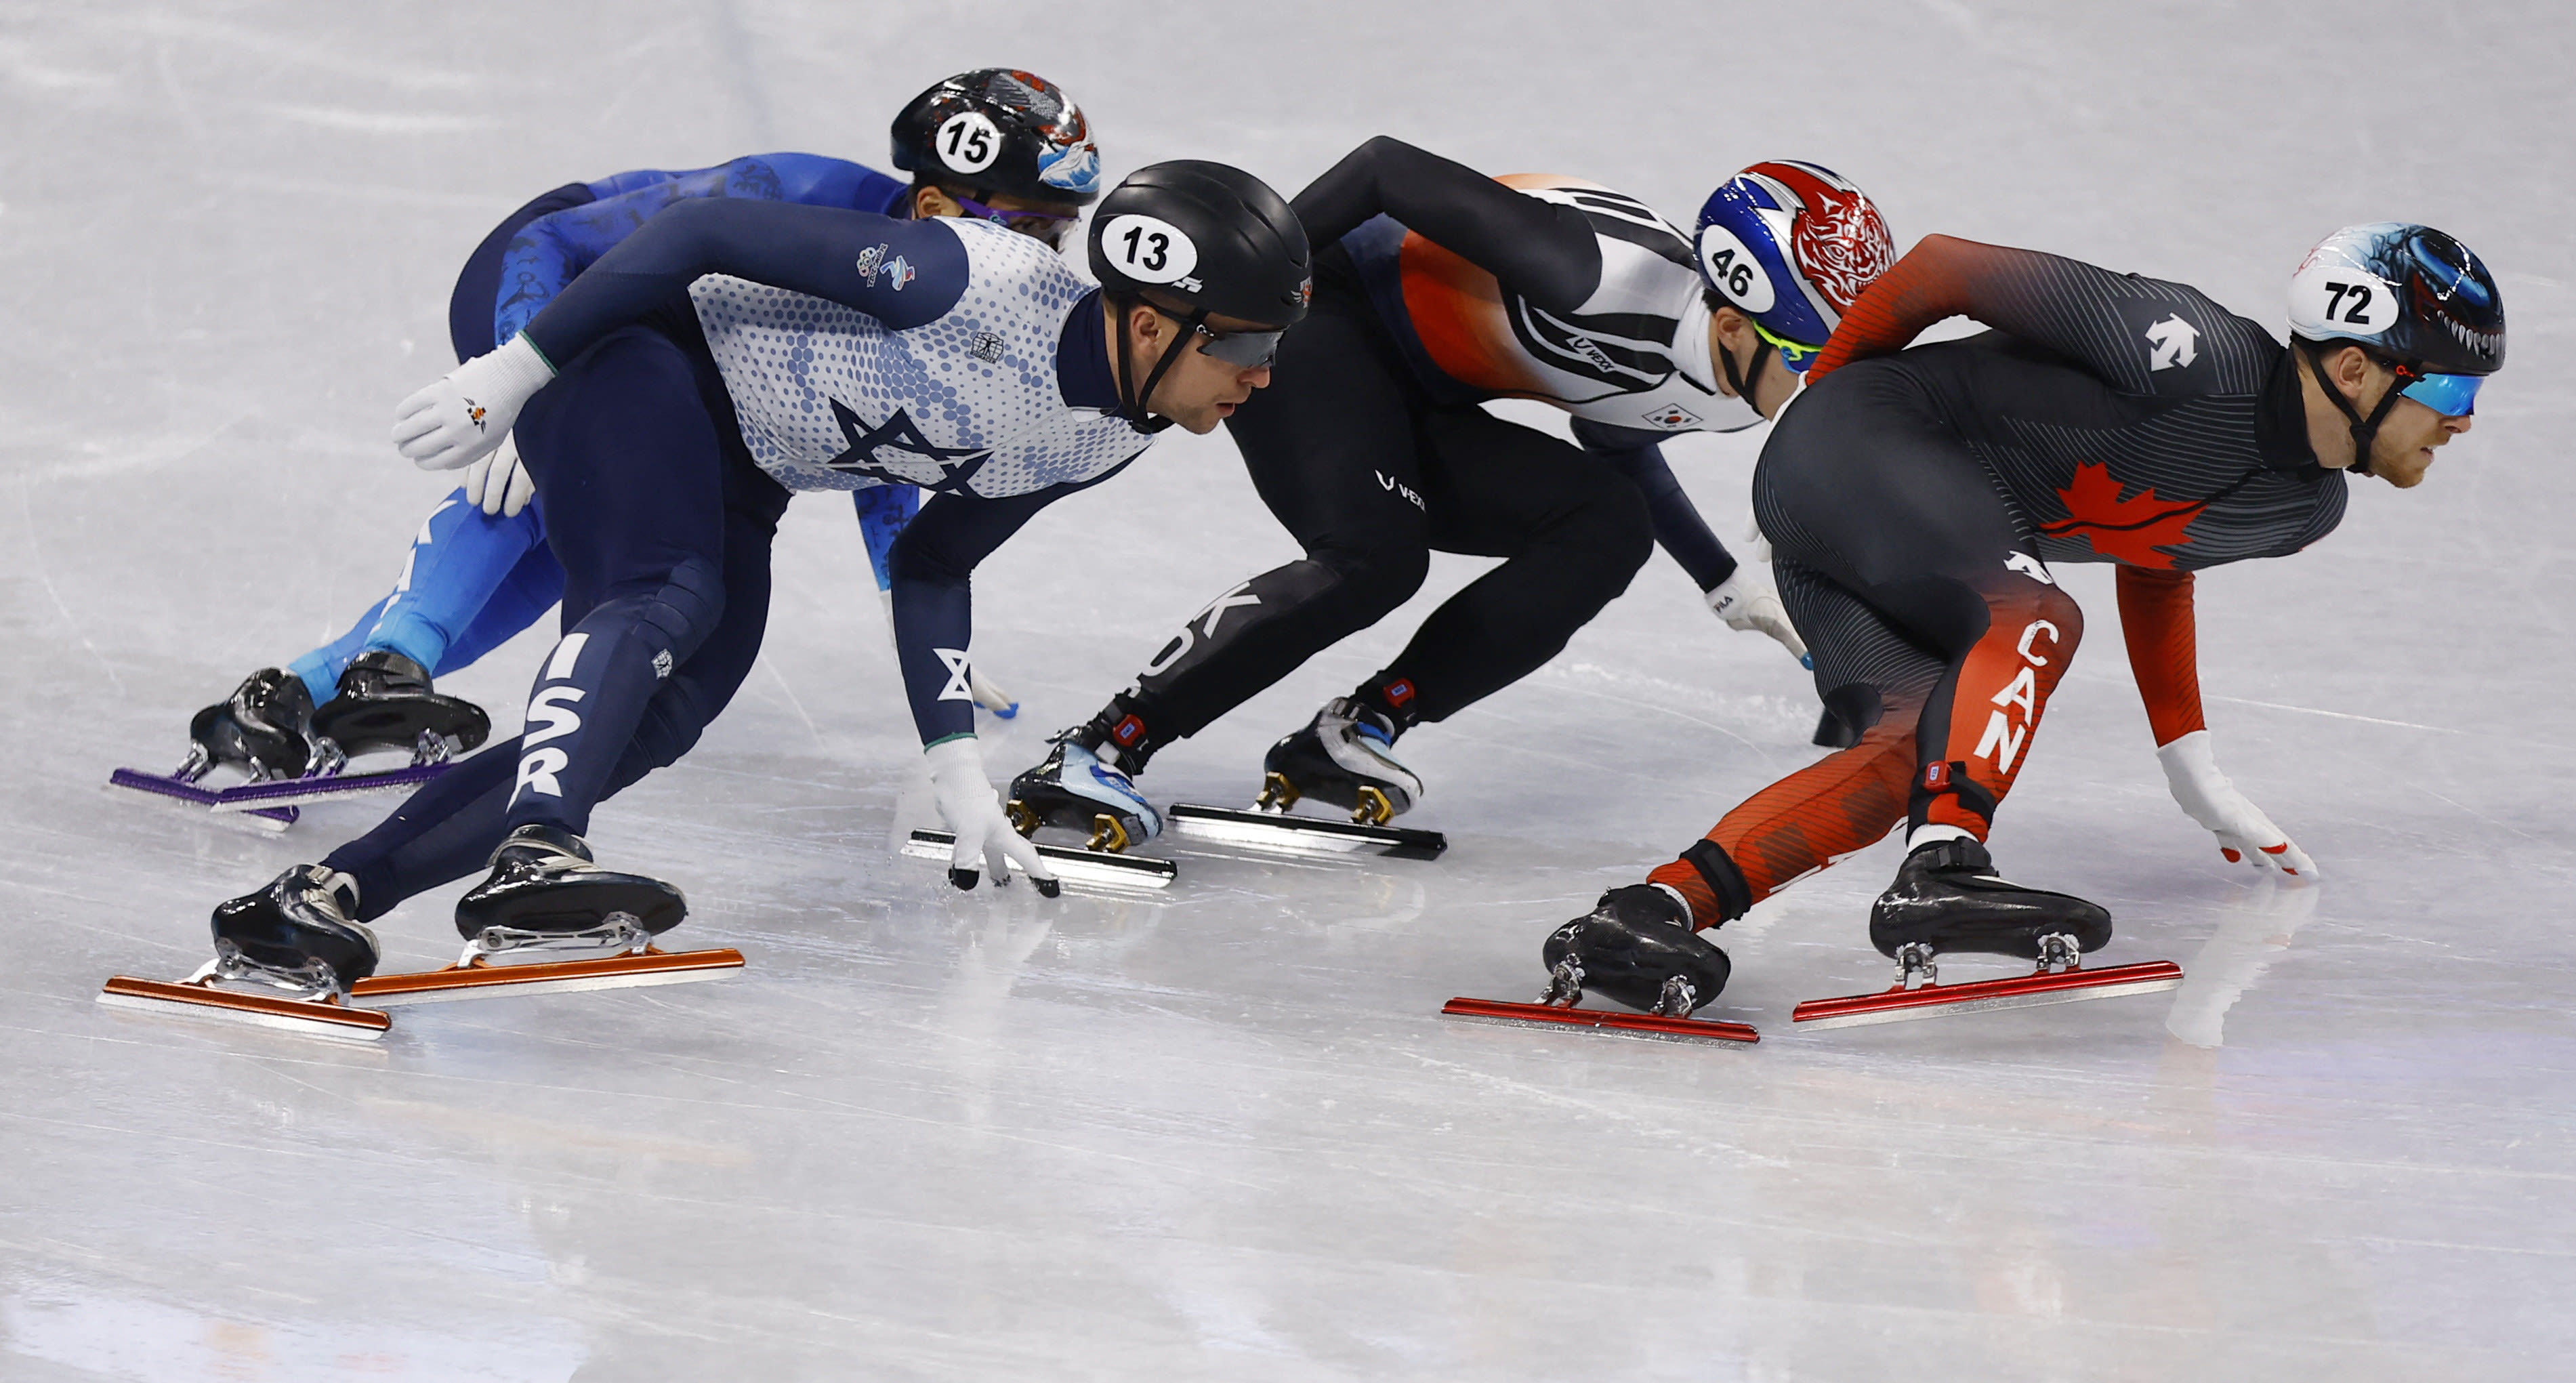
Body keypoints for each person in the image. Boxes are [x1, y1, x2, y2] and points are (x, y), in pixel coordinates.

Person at [193, 157, 1311, 999]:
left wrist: (955, 758)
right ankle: (539, 849)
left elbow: (934, 560)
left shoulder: (1115, 431)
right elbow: (698, 229)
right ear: (1156, 322)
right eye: (1250, 352)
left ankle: (315, 901)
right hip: (615, 322)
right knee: (668, 589)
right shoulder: (964, 276)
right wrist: (514, 369)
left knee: (671, 706)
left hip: (737, 441)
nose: (1263, 382)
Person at [1537, 222, 2506, 1016]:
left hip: (1879, 537)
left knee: (1895, 758)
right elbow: (1941, 269)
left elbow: (2158, 554)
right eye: (2449, 388)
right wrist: (1811, 409)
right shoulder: (2185, 346)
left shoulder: (2301, 510)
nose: (2462, 420)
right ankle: (1946, 862)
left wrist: (2189, 761)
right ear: (2350, 368)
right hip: (1863, 439)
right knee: (2032, 611)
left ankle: (1646, 911)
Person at [172, 69, 1093, 783]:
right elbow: (567, 246)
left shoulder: (964, 300)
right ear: (935, 209)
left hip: (669, 355)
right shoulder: (806, 192)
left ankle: (288, 692)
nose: (1049, 262)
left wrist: (906, 597)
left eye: (1062, 235)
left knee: (584, 547)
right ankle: (395, 659)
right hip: (553, 274)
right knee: (565, 490)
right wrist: (528, 383)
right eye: (1034, 231)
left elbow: (885, 437)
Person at [1008, 142, 1894, 847]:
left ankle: (1352, 733)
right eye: (1815, 363)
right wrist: (1236, 309)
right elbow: (1382, 170)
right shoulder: (1591, 274)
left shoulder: (1734, 380)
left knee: (1603, 524)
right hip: (1329, 315)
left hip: (1425, 388)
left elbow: (1614, 442)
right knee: (1373, 558)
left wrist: (1722, 581)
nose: (1830, 387)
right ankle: (1099, 745)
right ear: (1736, 324)